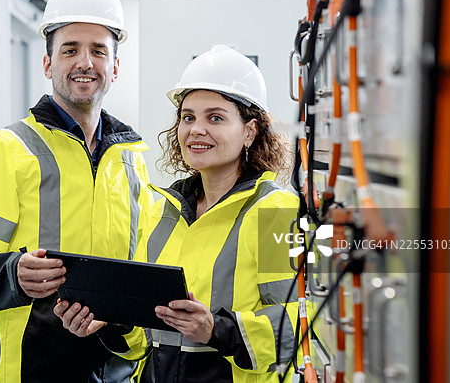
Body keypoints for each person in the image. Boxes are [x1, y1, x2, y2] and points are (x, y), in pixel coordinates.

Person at [55, 45, 300, 383]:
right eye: (188, 117)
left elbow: (298, 323)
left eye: (215, 117)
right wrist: (109, 324)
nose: (196, 129)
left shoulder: (275, 211)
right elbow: (142, 340)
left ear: (250, 131)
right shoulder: (163, 210)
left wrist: (217, 330)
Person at [0, 0, 153, 383]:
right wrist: (14, 274)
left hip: (112, 368)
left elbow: (142, 265)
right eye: (70, 50)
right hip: (26, 368)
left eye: (98, 50)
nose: (85, 62)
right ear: (48, 63)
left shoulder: (131, 159)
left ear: (114, 66)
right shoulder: (9, 148)